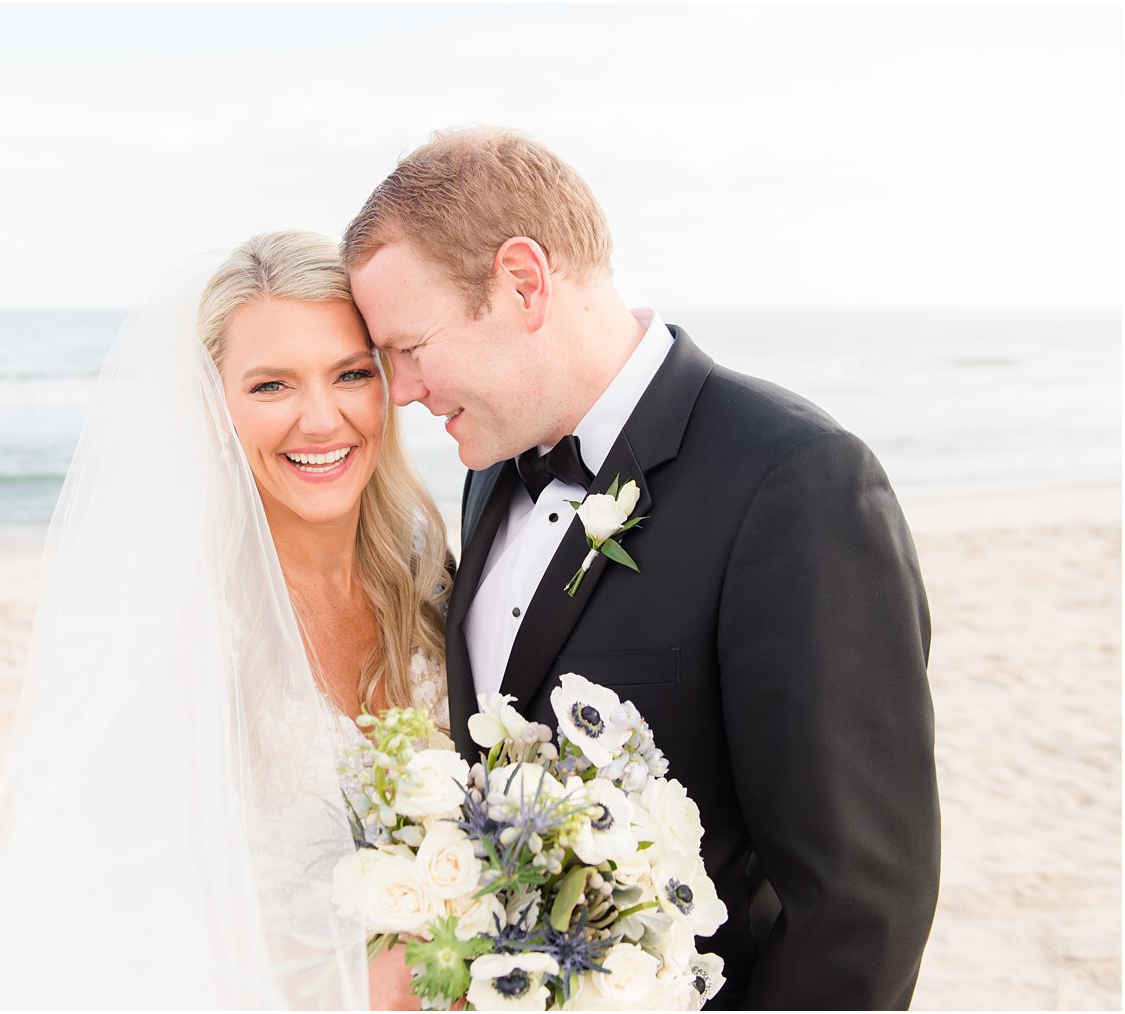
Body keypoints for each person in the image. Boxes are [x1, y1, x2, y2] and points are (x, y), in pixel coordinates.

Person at [343, 128, 940, 1009]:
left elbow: (861, 905)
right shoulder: (486, 477)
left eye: (410, 348)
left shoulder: (797, 484)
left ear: (522, 284)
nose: (399, 392)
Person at [0, 231, 448, 1009]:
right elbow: (124, 927)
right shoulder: (178, 628)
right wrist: (352, 979)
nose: (322, 419)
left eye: (351, 374)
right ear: (212, 407)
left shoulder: (433, 586)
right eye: (271, 386)